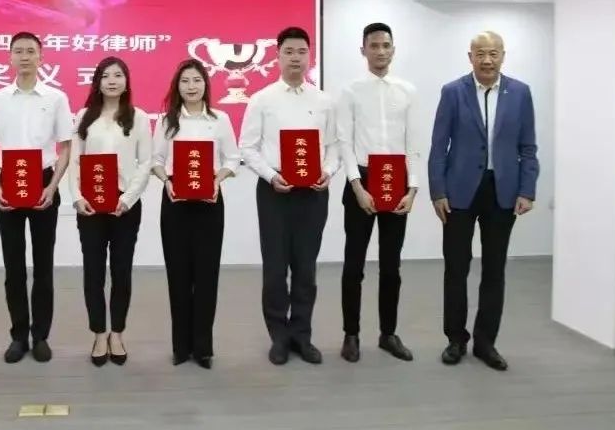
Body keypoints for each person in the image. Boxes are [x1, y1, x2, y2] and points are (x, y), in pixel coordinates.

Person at [428, 31, 539, 372]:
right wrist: (438, 191)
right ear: (470, 57)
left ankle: (485, 342)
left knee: (494, 269)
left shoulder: (520, 93)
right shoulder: (453, 92)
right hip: (459, 192)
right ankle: (455, 339)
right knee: (456, 268)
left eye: (493, 53)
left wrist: (527, 189)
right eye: (481, 54)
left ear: (503, 55)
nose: (487, 60)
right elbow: (439, 146)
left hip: (501, 191)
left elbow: (528, 147)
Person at [239, 26, 339, 366]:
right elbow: (247, 147)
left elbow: (333, 146)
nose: (296, 58)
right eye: (289, 52)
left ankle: (302, 335)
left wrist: (329, 170)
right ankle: (279, 337)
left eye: (301, 52)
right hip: (275, 193)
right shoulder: (262, 99)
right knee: (275, 269)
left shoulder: (324, 101)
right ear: (277, 56)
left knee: (306, 269)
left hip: (313, 193)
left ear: (310, 56)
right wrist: (271, 175)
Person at [0, 31, 73, 364]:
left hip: (44, 181)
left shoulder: (56, 98)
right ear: (9, 57)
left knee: (43, 265)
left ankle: (41, 335)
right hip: (9, 183)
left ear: (41, 57)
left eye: (30, 51)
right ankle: (18, 335)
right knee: (14, 266)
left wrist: (53, 186)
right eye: (18, 51)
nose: (24, 56)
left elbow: (66, 146)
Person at [336, 23, 418, 363]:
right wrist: (357, 185)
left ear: (393, 50)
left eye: (386, 45)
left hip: (396, 179)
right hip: (363, 178)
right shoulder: (350, 91)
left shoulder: (407, 90)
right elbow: (344, 140)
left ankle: (388, 333)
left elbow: (413, 142)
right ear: (363, 50)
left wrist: (413, 188)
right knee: (354, 264)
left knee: (391, 266)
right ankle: (351, 334)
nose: (380, 51)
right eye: (374, 45)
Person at [152, 58, 240, 369]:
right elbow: (156, 160)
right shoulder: (167, 122)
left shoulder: (220, 119)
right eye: (185, 81)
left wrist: (217, 179)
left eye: (197, 80)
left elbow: (232, 158)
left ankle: (203, 348)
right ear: (177, 86)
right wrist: (166, 182)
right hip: (175, 203)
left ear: (206, 84)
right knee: (178, 276)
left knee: (206, 276)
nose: (191, 86)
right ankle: (181, 347)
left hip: (209, 204)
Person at [68, 57, 152, 367]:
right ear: (97, 82)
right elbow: (75, 161)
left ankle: (117, 333)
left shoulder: (139, 118)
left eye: (118, 75)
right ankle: (99, 334)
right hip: (90, 205)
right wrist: (77, 197)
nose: (112, 81)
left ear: (127, 81)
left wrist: (128, 198)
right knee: (93, 272)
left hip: (124, 205)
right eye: (105, 76)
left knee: (121, 271)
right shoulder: (84, 117)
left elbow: (145, 162)